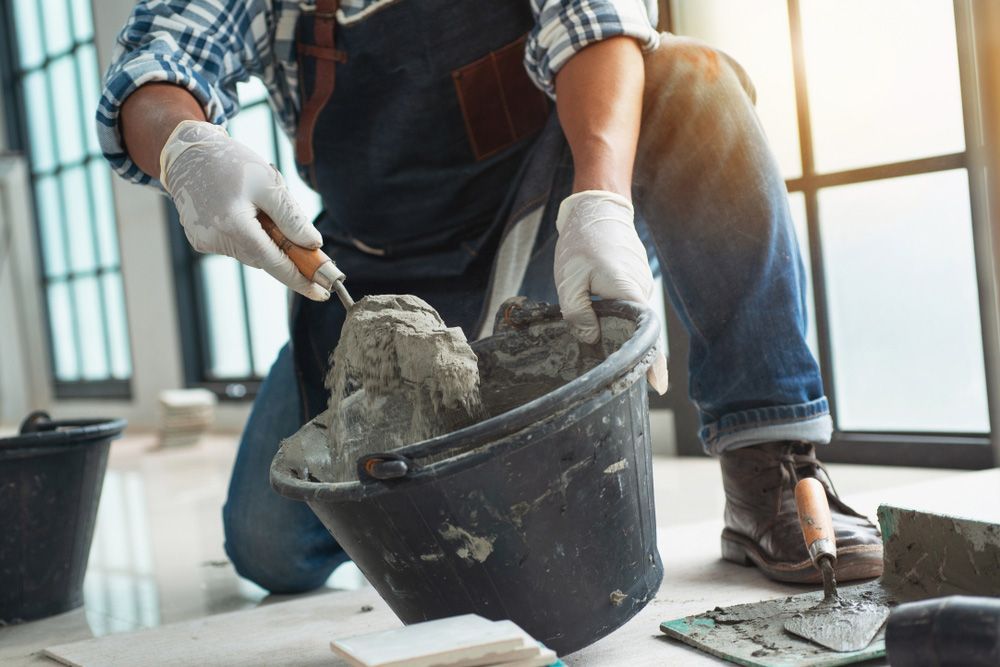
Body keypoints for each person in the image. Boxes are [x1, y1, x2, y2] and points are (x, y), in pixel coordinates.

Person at [98, 0, 881, 594]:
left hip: (541, 221)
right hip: (375, 275)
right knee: (269, 546)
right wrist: (184, 146)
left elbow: (597, 18)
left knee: (686, 79)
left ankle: (769, 469)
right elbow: (157, 57)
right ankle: (440, 474)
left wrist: (600, 204)